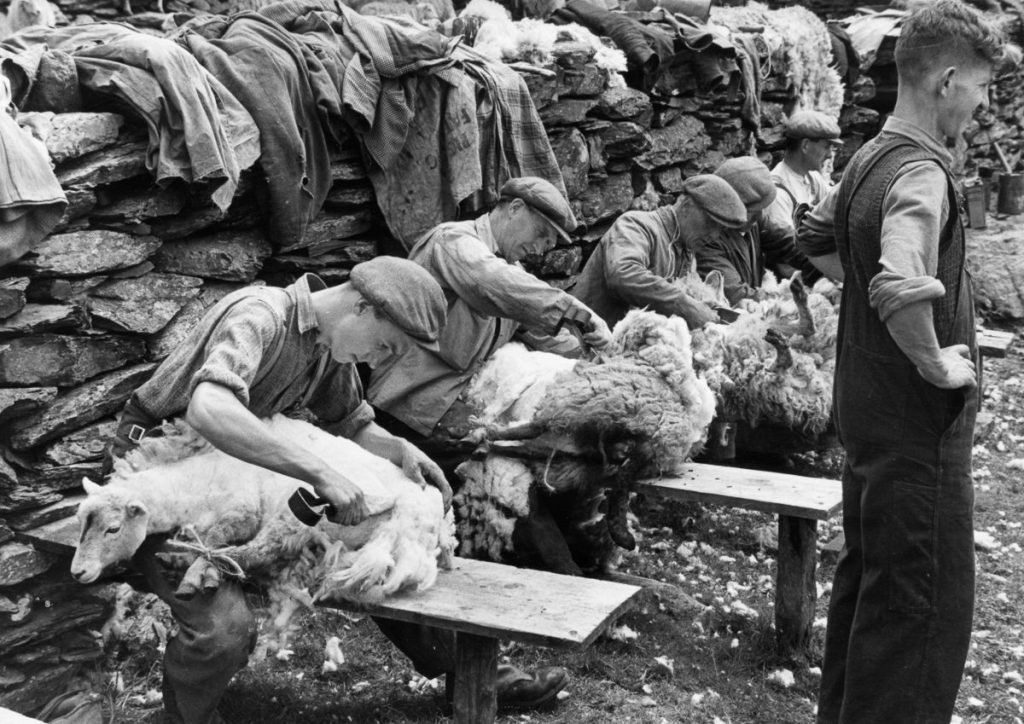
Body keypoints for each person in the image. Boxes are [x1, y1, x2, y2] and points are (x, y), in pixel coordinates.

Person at [100, 257, 562, 723]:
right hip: (160, 475)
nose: (378, 360)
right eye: (384, 345)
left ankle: (470, 672)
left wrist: (399, 449)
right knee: (224, 628)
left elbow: (354, 422)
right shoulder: (258, 315)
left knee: (376, 539)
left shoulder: (325, 346)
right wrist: (319, 472)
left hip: (238, 479)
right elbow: (209, 408)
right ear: (362, 307)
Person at [814, 2, 1006, 722]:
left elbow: (814, 237)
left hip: (865, 418)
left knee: (872, 594)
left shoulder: (869, 155)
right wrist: (934, 363)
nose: (984, 106)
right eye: (982, 89)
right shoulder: (922, 174)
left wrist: (865, 296)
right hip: (915, 432)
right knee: (923, 618)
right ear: (948, 79)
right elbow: (898, 281)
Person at [368, 176, 614, 442]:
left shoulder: (512, 274)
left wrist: (603, 360)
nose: (540, 250)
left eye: (548, 244)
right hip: (406, 402)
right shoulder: (452, 241)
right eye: (542, 234)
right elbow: (491, 281)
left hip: (448, 401)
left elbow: (545, 336)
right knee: (506, 453)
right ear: (515, 208)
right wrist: (578, 315)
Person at [571, 174, 748, 330]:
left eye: (721, 230)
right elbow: (622, 274)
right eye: (710, 224)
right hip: (583, 344)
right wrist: (685, 305)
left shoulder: (687, 251)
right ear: (686, 205)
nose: (714, 235)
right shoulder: (636, 225)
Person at [696, 156, 820, 305]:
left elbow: (791, 243)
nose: (759, 215)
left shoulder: (755, 223)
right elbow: (737, 295)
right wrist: (788, 301)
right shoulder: (708, 240)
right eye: (751, 210)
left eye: (760, 209)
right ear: (729, 208)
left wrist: (825, 265)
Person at [768, 109, 843, 229]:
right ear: (805, 146)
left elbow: (836, 202)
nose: (829, 155)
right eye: (826, 147)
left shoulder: (812, 178)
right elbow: (787, 244)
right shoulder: (778, 192)